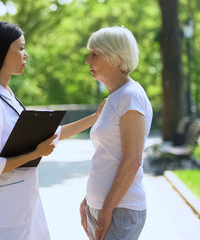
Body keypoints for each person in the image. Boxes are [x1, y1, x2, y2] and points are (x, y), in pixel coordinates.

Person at [0, 21, 105, 240]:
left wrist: (94, 118)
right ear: (1, 52)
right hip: (1, 214)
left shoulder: (8, 96)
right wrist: (35, 153)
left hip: (20, 205)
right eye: (20, 48)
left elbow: (51, 136)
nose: (26, 55)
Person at [79, 26, 153, 240]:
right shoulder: (114, 98)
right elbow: (108, 155)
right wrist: (89, 199)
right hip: (102, 207)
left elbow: (132, 161)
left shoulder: (131, 96)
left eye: (95, 54)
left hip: (120, 210)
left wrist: (107, 209)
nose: (87, 60)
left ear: (116, 58)